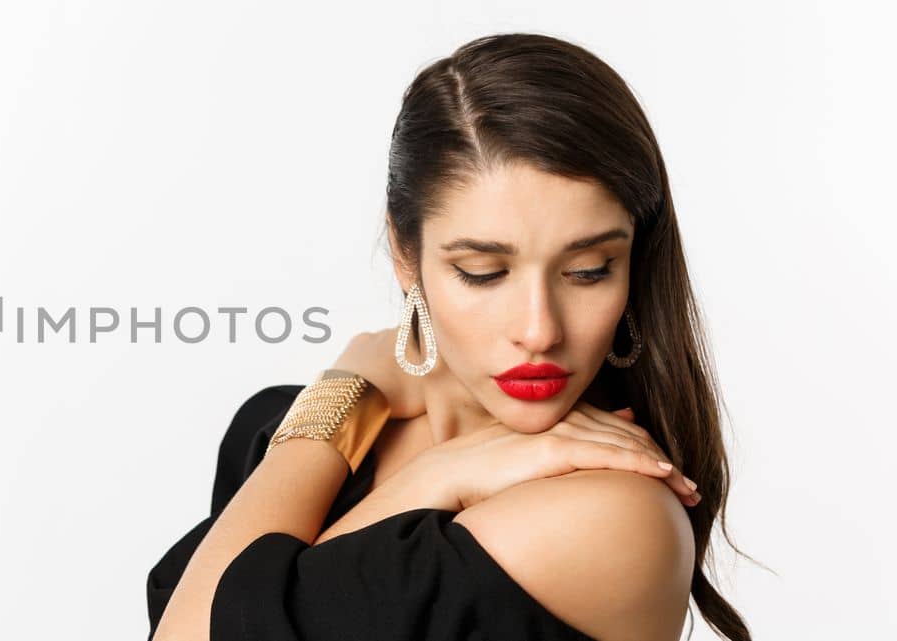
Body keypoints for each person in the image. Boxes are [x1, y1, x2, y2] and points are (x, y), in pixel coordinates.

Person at [146, 33, 752, 641]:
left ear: (633, 266)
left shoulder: (615, 518)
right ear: (408, 258)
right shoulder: (285, 428)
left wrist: (361, 426)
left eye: (588, 270)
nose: (539, 331)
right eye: (483, 273)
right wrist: (427, 466)